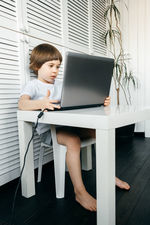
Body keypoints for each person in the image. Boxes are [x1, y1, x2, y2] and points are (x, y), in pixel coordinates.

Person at [18, 43, 130, 212]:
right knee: (73, 140)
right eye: (51, 66)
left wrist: (100, 100)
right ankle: (80, 192)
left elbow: (78, 99)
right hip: (49, 131)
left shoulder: (62, 84)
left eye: (58, 66)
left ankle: (108, 176)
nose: (55, 70)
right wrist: (42, 102)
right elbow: (22, 104)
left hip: (68, 126)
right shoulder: (33, 85)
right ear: (36, 66)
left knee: (98, 132)